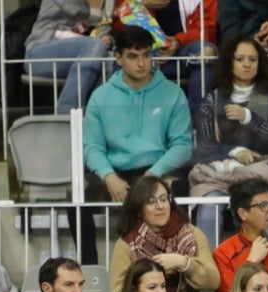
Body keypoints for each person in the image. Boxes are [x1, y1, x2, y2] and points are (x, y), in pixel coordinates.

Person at [188, 37, 268, 241]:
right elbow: (205, 147)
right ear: (229, 62)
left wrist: (248, 118)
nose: (247, 64)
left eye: (253, 60)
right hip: (219, 174)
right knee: (209, 208)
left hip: (263, 172)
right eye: (240, 59)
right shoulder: (212, 99)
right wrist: (236, 152)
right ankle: (210, 269)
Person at [82, 27, 193, 206]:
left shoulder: (173, 93)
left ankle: (175, 235)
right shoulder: (100, 96)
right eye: (133, 56)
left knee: (179, 185)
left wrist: (151, 175)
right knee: (79, 189)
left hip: (158, 170)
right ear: (119, 59)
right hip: (115, 171)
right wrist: (108, 176)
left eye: (146, 55)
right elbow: (93, 148)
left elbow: (183, 145)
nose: (141, 63)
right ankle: (86, 236)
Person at [107, 176, 219, 292]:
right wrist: (149, 278)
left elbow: (213, 281)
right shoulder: (126, 243)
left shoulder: (192, 234)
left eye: (164, 199)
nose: (160, 206)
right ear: (138, 209)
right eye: (151, 201)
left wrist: (184, 263)